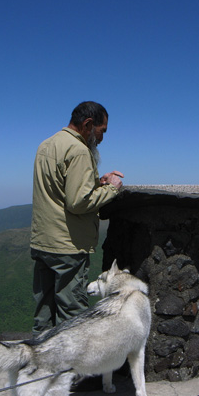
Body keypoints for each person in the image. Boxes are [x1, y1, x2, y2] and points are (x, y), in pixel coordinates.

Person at [30, 101, 123, 336]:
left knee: (44, 311)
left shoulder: (46, 145)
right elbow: (78, 202)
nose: (102, 138)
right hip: (68, 246)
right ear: (88, 125)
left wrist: (95, 182)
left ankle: (39, 362)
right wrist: (111, 188)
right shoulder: (79, 150)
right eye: (102, 131)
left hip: (43, 241)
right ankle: (71, 370)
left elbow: (60, 188)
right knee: (72, 314)